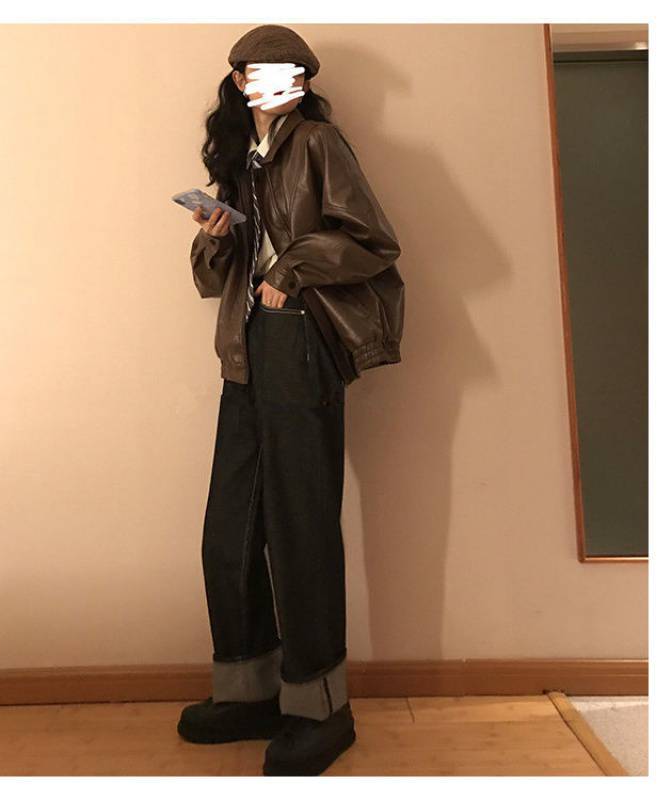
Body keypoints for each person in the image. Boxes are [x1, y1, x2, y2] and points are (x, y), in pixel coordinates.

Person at [177, 24, 404, 776]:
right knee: (231, 530)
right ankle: (250, 692)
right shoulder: (242, 160)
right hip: (243, 350)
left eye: (282, 71)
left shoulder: (317, 145)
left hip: (300, 344)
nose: (266, 82)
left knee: (300, 527)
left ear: (301, 80)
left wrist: (294, 268)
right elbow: (212, 279)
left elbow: (373, 241)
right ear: (239, 82)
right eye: (252, 72)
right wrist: (218, 233)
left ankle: (320, 708)